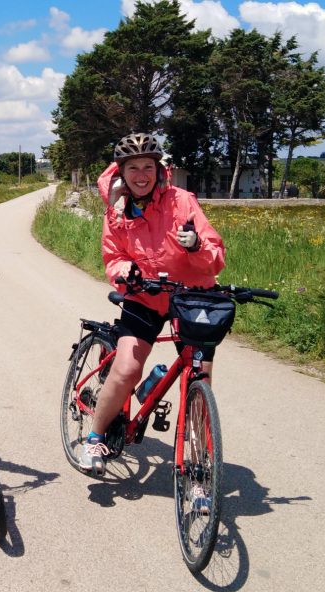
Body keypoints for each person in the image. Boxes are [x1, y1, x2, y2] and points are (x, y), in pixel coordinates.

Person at [81, 133, 226, 496]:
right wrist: (124, 272)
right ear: (122, 172)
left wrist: (195, 247)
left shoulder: (182, 201)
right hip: (145, 296)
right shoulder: (117, 208)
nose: (141, 174)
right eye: (134, 168)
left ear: (159, 170)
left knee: (199, 381)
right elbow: (113, 256)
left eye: (148, 167)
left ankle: (198, 470)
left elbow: (216, 255)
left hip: (192, 296)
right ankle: (95, 437)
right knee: (128, 367)